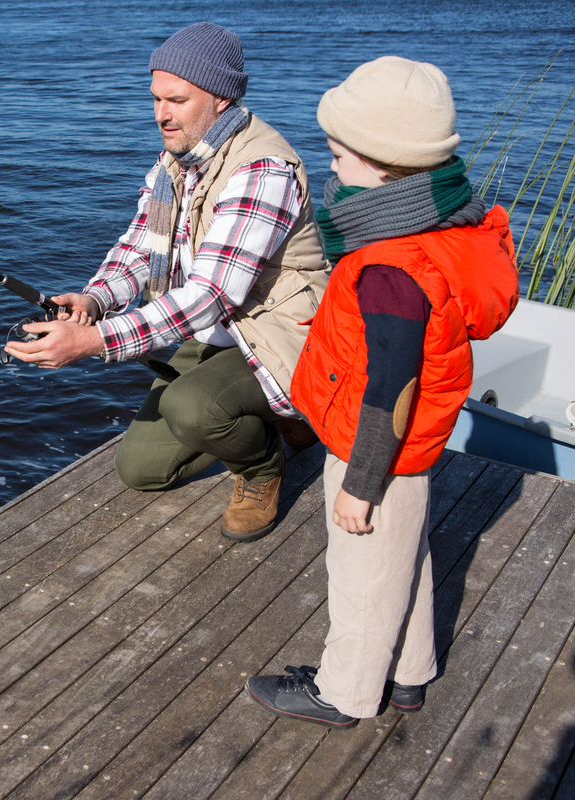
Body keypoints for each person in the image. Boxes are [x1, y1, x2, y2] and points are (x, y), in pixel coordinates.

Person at [245, 56, 519, 727]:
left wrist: (360, 483)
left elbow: (389, 389)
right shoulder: (436, 230)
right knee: (405, 556)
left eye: (340, 154)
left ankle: (345, 692)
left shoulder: (392, 269)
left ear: (383, 163)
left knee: (363, 574)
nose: (331, 166)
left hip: (379, 448)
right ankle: (408, 674)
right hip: (410, 448)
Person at [4, 22, 329, 543]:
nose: (160, 114)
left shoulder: (264, 168)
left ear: (221, 98)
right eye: (155, 98)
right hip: (216, 334)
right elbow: (139, 245)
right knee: (142, 470)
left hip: (281, 334)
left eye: (176, 100)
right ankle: (273, 416)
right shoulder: (177, 159)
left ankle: (263, 468)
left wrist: (94, 341)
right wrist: (94, 298)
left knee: (191, 407)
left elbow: (210, 295)